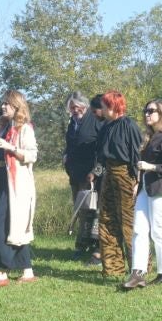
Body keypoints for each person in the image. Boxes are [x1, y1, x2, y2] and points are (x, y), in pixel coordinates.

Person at [121, 99, 162, 291]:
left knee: (158, 231)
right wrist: (138, 183)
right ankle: (137, 273)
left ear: (161, 114)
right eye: (145, 111)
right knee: (139, 229)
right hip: (146, 189)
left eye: (151, 111)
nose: (147, 114)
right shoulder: (150, 138)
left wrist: (151, 167)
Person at [0, 90, 39, 288]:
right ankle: (27, 270)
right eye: (3, 104)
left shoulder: (24, 129)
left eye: (7, 104)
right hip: (1, 183)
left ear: (17, 106)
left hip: (17, 187)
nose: (3, 107)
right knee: (14, 226)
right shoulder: (3, 127)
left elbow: (32, 155)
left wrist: (9, 147)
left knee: (0, 225)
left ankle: (0, 273)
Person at [95, 90, 142, 279]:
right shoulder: (106, 127)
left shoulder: (129, 125)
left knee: (128, 222)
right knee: (106, 220)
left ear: (113, 106)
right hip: (109, 174)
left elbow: (137, 154)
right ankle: (113, 267)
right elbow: (101, 155)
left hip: (126, 175)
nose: (102, 109)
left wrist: (138, 180)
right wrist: (96, 173)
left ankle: (139, 266)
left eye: (105, 106)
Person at [63, 92, 101, 261]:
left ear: (84, 106)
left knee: (93, 210)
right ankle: (82, 244)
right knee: (80, 211)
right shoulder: (72, 122)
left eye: (76, 107)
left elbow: (101, 148)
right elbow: (70, 145)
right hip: (75, 174)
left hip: (91, 175)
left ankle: (95, 245)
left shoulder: (95, 120)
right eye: (71, 108)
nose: (74, 110)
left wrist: (95, 171)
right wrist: (66, 158)